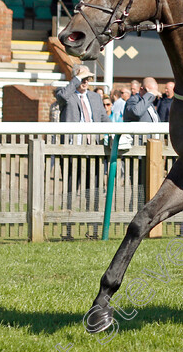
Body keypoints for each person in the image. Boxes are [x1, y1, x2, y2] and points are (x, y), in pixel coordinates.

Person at [55, 64, 110, 239]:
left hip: (92, 151)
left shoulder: (94, 97)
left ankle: (93, 231)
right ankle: (68, 231)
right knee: (71, 191)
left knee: (92, 191)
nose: (86, 81)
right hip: (72, 151)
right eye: (83, 78)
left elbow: (104, 119)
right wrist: (77, 79)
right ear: (75, 78)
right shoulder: (66, 94)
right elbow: (62, 96)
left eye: (88, 78)